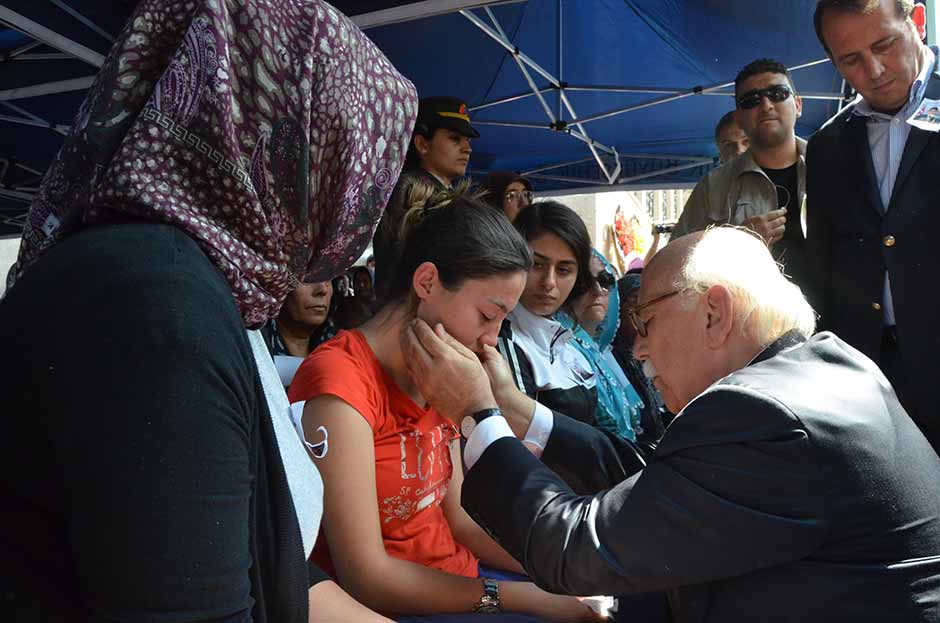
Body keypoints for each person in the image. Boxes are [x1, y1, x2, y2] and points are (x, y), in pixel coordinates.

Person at [0, 1, 417, 621]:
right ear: (293, 148)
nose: (361, 214)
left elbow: (259, 551)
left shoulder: (199, 277)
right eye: (358, 167)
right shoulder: (158, 306)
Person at [401, 226, 940, 623]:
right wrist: (517, 410)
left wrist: (479, 415)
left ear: (714, 314)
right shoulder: (807, 377)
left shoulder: (766, 415)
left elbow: (571, 550)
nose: (636, 349)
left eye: (647, 322)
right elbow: (662, 478)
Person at [288, 190, 601, 622]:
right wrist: (526, 597)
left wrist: (565, 572)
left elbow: (460, 521)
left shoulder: (440, 373)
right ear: (428, 282)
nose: (491, 340)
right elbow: (367, 575)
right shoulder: (341, 385)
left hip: (465, 583)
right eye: (487, 315)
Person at [806, 0, 940, 451]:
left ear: (917, 20)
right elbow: (821, 269)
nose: (875, 69)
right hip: (870, 384)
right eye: (851, 60)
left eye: (884, 44)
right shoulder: (826, 146)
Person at [673, 59, 810, 290]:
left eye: (778, 93)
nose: (766, 105)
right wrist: (738, 243)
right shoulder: (714, 187)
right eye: (751, 100)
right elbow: (676, 264)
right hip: (751, 322)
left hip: (839, 319)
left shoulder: (833, 165)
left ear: (797, 105)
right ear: (739, 117)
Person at [497, 202, 599, 428]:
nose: (549, 283)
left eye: (563, 270)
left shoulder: (570, 345)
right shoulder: (504, 342)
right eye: (537, 264)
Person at [373, 96, 478, 299]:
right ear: (422, 144)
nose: (467, 148)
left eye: (468, 141)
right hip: (412, 310)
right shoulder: (411, 190)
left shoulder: (432, 189)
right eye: (455, 138)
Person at [559, 250, 651, 447]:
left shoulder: (599, 354)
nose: (598, 290)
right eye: (583, 282)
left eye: (605, 280)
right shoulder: (557, 350)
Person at [611, 271, 670, 453]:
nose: (640, 316)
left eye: (645, 307)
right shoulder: (610, 359)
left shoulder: (653, 351)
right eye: (632, 304)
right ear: (617, 309)